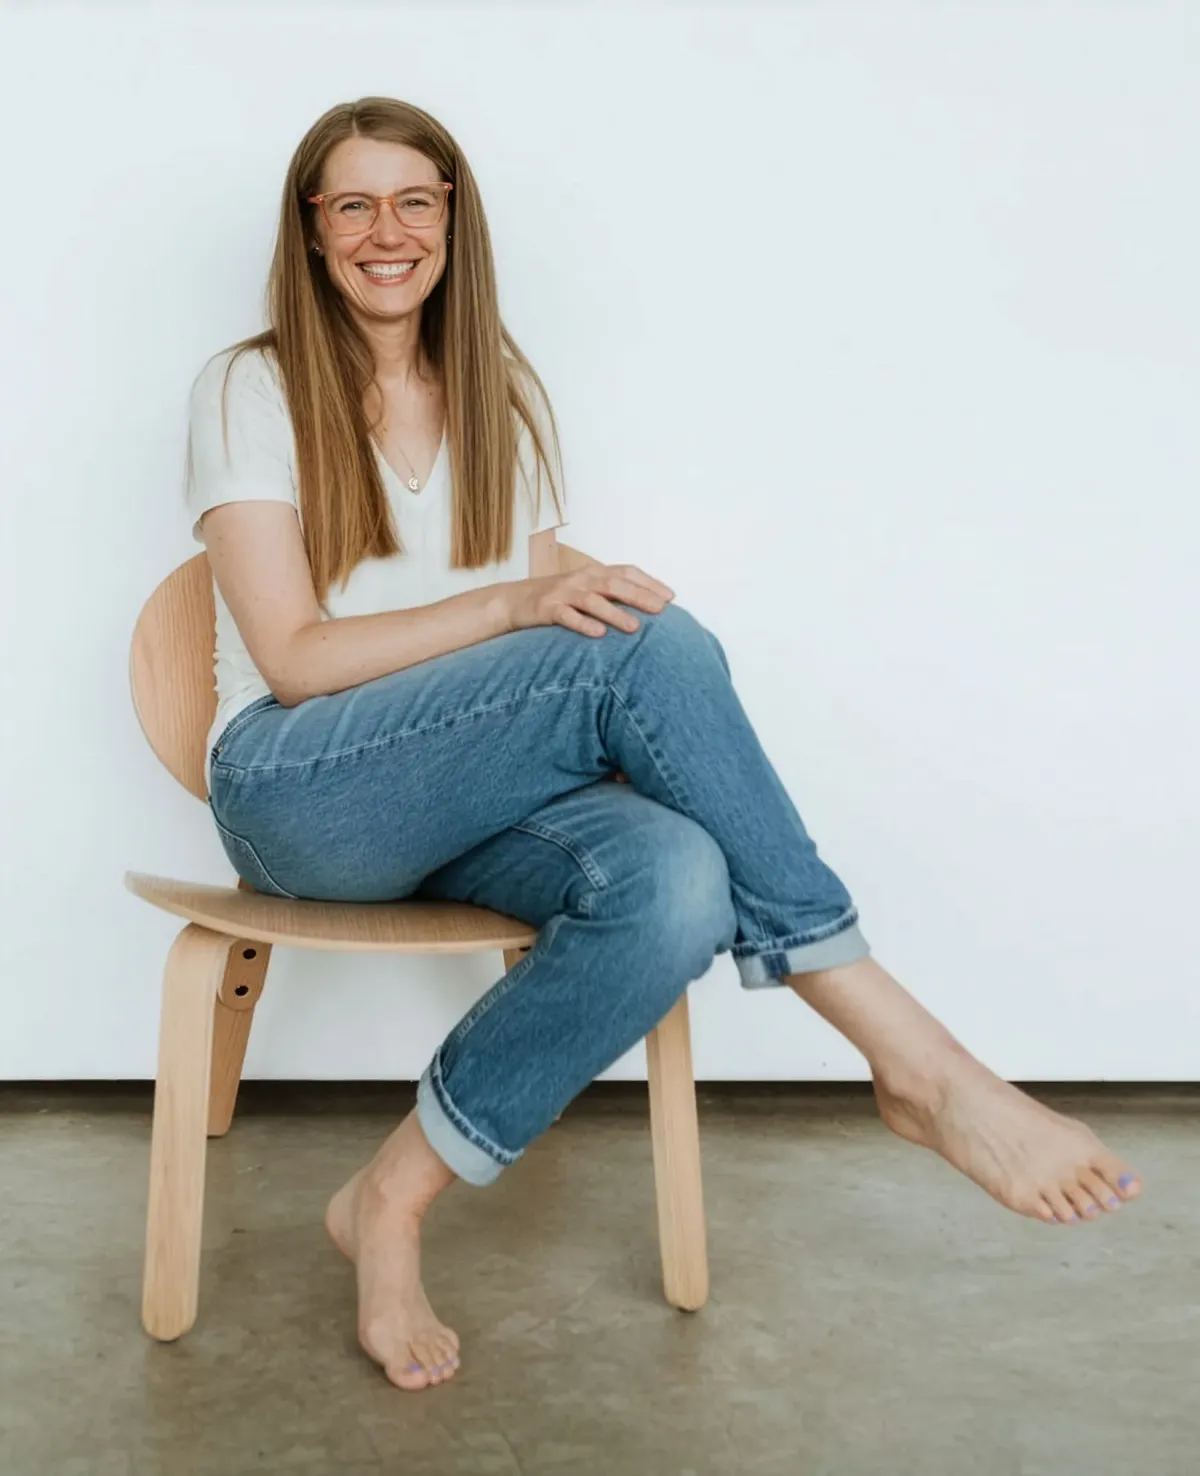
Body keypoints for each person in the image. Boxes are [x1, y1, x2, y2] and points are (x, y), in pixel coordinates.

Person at [185, 96, 1142, 1394]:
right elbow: (297, 657)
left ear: (455, 220)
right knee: (642, 644)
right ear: (311, 230)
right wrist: (516, 608)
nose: (385, 231)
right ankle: (920, 1062)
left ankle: (392, 1199)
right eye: (352, 204)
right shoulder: (249, 386)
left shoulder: (501, 395)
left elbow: (537, 655)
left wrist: (613, 689)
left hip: (464, 799)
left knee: (678, 880)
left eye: (414, 200)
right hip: (300, 793)